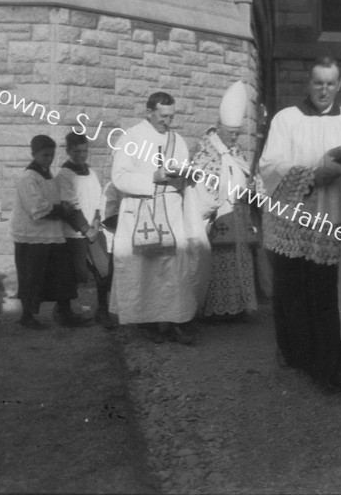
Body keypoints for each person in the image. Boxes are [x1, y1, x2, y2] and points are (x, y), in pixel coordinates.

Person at [258, 57, 341, 393]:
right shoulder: (286, 119)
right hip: (293, 221)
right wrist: (312, 175)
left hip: (333, 224)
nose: (324, 89)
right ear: (309, 82)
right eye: (318, 82)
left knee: (329, 296)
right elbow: (270, 165)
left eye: (330, 83)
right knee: (293, 294)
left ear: (340, 84)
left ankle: (329, 368)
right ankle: (295, 356)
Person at [109, 92, 210, 344]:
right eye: (163, 116)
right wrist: (151, 177)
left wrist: (189, 175)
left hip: (172, 210)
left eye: (171, 117)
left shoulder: (177, 140)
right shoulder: (130, 138)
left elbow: (183, 171)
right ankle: (149, 322)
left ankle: (178, 320)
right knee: (146, 270)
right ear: (149, 112)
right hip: (141, 210)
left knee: (175, 268)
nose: (168, 122)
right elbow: (119, 178)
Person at [191, 81, 258, 321]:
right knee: (219, 262)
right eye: (230, 132)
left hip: (239, 214)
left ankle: (238, 307)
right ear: (218, 127)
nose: (234, 137)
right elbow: (201, 183)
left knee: (238, 261)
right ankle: (214, 311)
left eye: (237, 133)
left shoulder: (236, 151)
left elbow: (246, 175)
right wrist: (216, 201)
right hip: (217, 214)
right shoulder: (205, 150)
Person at [11, 134, 89, 330]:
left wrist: (62, 206)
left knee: (63, 275)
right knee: (32, 277)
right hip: (32, 236)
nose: (49, 159)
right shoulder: (27, 177)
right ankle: (27, 316)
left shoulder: (50, 176)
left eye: (52, 155)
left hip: (54, 233)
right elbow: (36, 208)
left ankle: (64, 312)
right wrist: (61, 209)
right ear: (34, 153)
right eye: (45, 155)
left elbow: (52, 200)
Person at [56, 132, 116, 329]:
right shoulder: (65, 175)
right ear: (68, 151)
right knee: (73, 273)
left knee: (103, 269)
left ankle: (102, 310)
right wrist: (84, 228)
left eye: (85, 151)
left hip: (93, 229)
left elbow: (98, 199)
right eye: (77, 151)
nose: (82, 155)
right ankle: (63, 311)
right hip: (74, 232)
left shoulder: (91, 172)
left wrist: (97, 221)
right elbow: (69, 206)